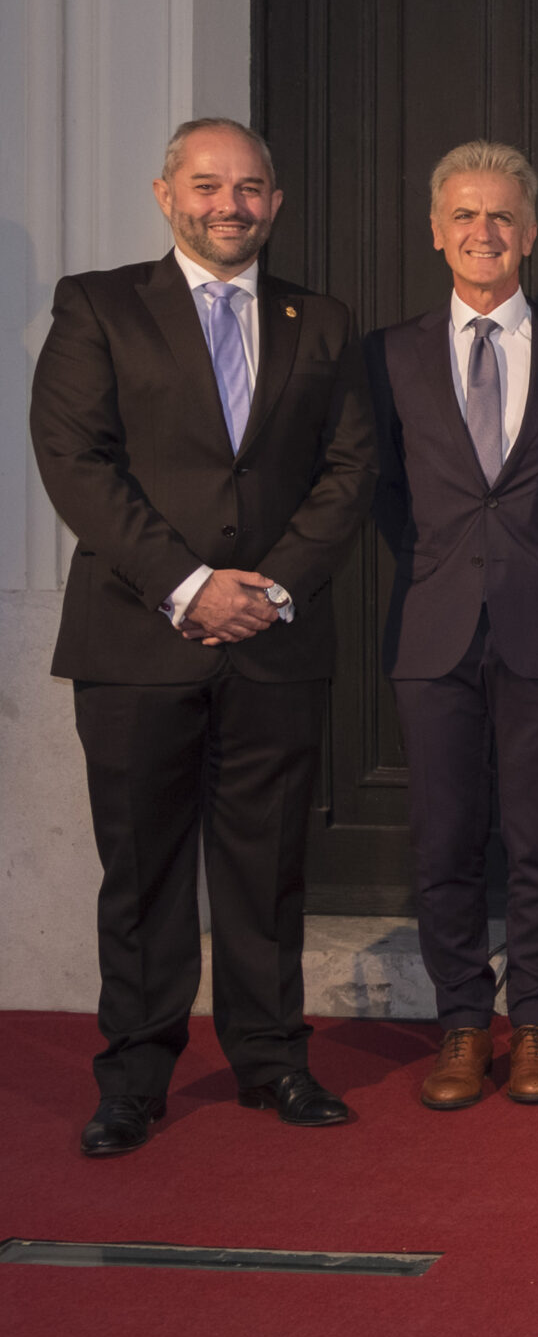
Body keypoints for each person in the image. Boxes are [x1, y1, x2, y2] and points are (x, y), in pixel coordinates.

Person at [31, 117, 375, 1156]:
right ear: (165, 192)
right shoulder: (98, 306)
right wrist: (188, 585)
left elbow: (350, 469)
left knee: (268, 867)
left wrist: (267, 589)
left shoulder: (320, 320)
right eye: (209, 184)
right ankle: (133, 1077)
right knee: (142, 871)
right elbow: (75, 459)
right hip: (139, 640)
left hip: (272, 641)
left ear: (275, 199)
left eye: (252, 187)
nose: (231, 204)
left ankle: (272, 1059)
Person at [366, 141, 538, 1109]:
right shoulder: (390, 353)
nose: (485, 233)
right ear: (437, 234)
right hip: (432, 629)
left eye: (502, 217)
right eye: (465, 217)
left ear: (530, 232)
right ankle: (459, 1026)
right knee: (442, 841)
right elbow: (388, 494)